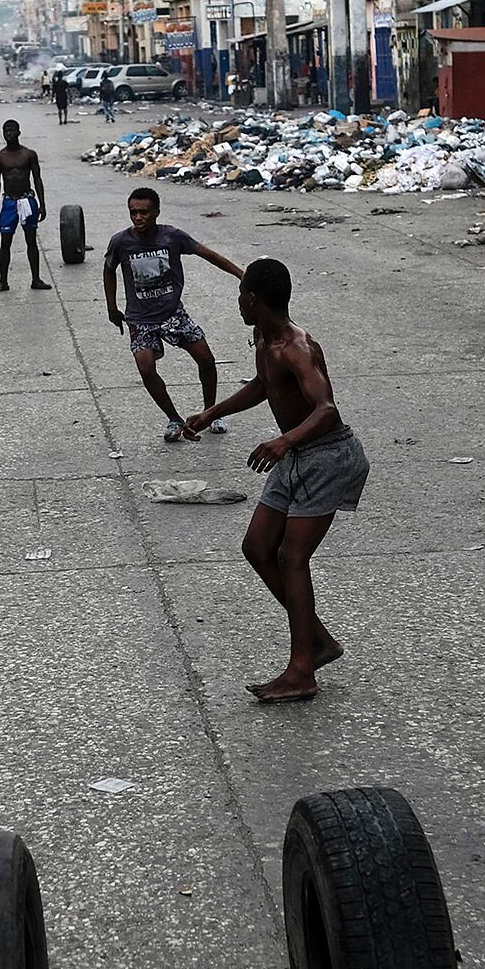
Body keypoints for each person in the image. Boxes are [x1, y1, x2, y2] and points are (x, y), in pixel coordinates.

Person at [182, 260, 367, 705]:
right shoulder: (264, 339)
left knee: (291, 556)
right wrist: (212, 412)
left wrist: (284, 441)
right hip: (297, 455)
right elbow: (264, 386)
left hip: (325, 456)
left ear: (252, 298)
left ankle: (302, 671)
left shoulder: (295, 346)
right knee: (257, 547)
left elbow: (327, 410)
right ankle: (318, 641)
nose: (237, 302)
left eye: (240, 294)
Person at [104, 188, 242, 444]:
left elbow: (208, 254)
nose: (138, 217)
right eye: (133, 212)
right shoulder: (121, 242)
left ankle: (210, 413)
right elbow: (109, 269)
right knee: (146, 367)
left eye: (143, 212)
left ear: (156, 211)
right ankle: (174, 418)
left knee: (206, 359)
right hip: (140, 319)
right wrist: (111, 307)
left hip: (172, 314)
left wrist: (241, 274)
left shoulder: (172, 237)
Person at [0, 120, 51, 293]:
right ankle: (3, 281)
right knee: (5, 241)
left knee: (31, 240)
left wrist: (42, 204)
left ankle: (36, 279)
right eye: (6, 131)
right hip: (9, 202)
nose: (9, 134)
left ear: (18, 132)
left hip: (27, 200)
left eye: (12, 130)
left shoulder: (29, 154)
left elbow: (37, 179)